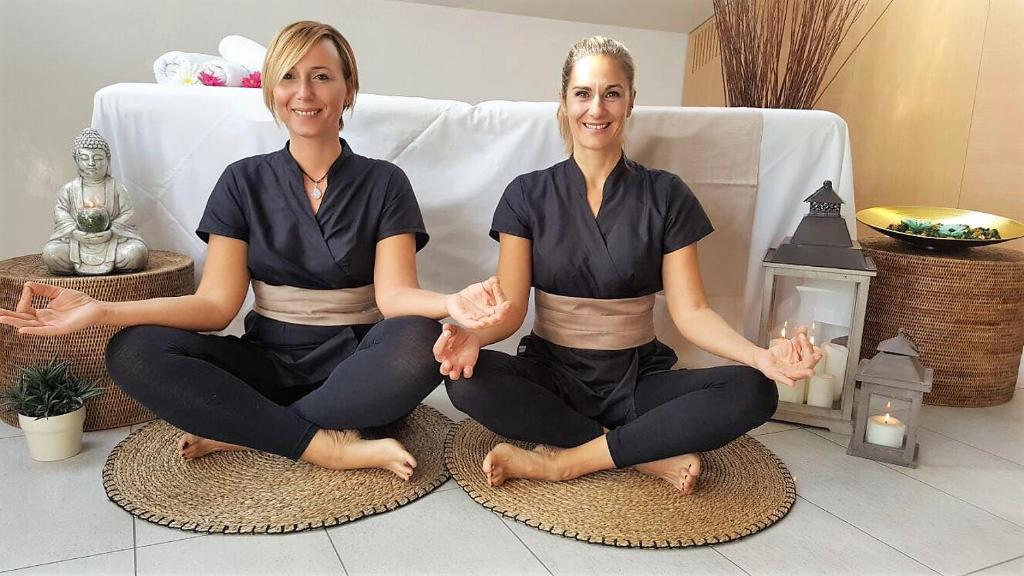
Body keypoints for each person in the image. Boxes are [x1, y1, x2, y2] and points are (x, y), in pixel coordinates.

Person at [0, 21, 508, 480]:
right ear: (271, 91)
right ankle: (321, 445)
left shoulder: (385, 182)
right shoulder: (241, 181)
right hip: (266, 360)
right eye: (288, 77)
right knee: (132, 350)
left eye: (322, 76)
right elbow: (215, 306)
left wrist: (452, 303)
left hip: (358, 364)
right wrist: (103, 311)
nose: (304, 93)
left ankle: (249, 430)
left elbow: (395, 297)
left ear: (348, 89)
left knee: (420, 337)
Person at [437, 36, 818, 494]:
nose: (596, 108)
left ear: (631, 101)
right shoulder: (526, 194)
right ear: (564, 101)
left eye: (612, 93)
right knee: (465, 382)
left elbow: (692, 313)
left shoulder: (667, 194)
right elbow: (512, 309)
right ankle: (641, 454)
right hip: (551, 374)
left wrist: (760, 357)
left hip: (637, 380)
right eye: (583, 93)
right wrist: (473, 338)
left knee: (754, 391)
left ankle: (566, 461)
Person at [42, 128, 148, 275]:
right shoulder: (69, 189)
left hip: (111, 240)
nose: (91, 163)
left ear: (107, 160)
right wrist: (74, 231)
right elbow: (61, 212)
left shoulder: (116, 187)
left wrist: (112, 231)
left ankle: (115, 260)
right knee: (52, 253)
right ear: (77, 160)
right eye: (85, 158)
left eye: (98, 158)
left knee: (135, 254)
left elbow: (128, 213)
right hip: (78, 242)